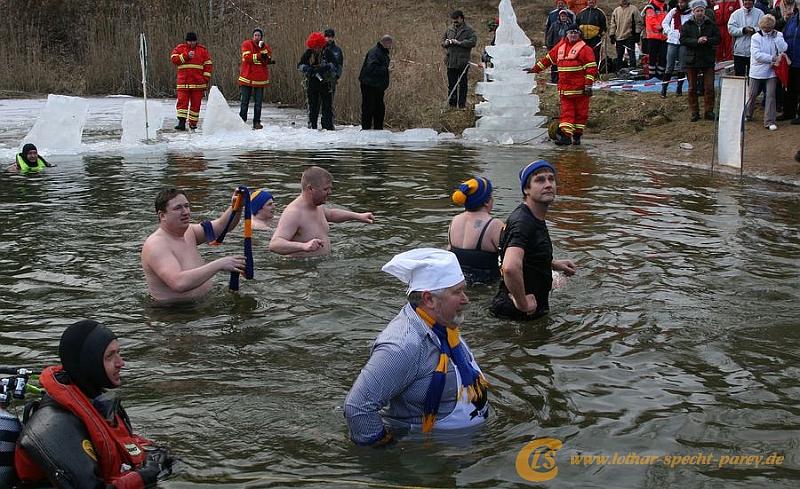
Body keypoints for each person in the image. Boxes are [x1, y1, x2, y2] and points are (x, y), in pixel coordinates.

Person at [344, 248, 489, 445]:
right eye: (457, 292)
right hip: (428, 455)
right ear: (429, 299)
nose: (466, 299)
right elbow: (358, 407)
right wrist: (387, 455)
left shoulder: (444, 327)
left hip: (461, 448)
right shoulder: (402, 346)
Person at [14, 320, 174, 487]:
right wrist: (146, 475)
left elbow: (124, 442)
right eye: (110, 356)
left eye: (119, 353)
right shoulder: (55, 426)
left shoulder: (95, 400)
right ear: (88, 362)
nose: (121, 363)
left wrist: (155, 453)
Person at [490, 160, 577, 321]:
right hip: (518, 315)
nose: (548, 184)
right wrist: (523, 303)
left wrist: (552, 263)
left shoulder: (532, 217)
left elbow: (526, 255)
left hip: (525, 312)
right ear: (526, 189)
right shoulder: (523, 223)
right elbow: (510, 267)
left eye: (551, 179)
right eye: (540, 180)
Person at [141, 188, 245, 303]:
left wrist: (237, 206)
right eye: (178, 208)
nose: (185, 212)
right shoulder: (157, 245)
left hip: (202, 305)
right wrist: (219, 264)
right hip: (173, 313)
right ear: (162, 215)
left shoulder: (189, 231)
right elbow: (179, 283)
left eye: (186, 206)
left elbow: (223, 226)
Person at [269, 166, 373, 257]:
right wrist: (303, 246)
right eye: (325, 189)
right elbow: (275, 244)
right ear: (310, 188)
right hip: (302, 272)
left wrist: (358, 216)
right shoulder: (294, 213)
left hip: (321, 266)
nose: (330, 192)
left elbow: (331, 214)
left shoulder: (317, 206)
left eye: (330, 188)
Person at [528, 23, 598, 145]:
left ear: (579, 34)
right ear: (567, 34)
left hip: (580, 90)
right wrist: (534, 69)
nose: (573, 35)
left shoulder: (585, 49)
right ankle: (566, 136)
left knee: (581, 114)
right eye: (571, 32)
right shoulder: (560, 47)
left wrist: (588, 85)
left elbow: (591, 68)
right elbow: (548, 60)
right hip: (565, 90)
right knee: (567, 114)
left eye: (576, 33)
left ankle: (576, 136)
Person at [447, 177, 504, 285]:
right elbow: (511, 262)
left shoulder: (454, 221)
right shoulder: (494, 225)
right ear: (487, 201)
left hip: (458, 283)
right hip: (487, 285)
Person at [681, 0, 721, 121]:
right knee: (692, 87)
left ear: (705, 11)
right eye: (697, 10)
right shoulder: (687, 25)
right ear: (693, 11)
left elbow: (718, 39)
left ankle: (709, 111)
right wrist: (696, 41)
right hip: (692, 59)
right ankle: (694, 111)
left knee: (709, 87)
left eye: (701, 10)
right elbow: (683, 40)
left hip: (707, 59)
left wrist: (707, 40)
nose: (699, 13)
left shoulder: (711, 24)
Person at [745, 14, 788, 130]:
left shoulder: (778, 35)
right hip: (757, 70)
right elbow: (757, 55)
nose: (767, 31)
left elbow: (784, 48)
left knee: (770, 95)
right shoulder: (755, 37)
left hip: (772, 71)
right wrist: (773, 58)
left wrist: (778, 40)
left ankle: (769, 121)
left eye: (770, 28)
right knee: (752, 94)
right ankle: (747, 114)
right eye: (765, 28)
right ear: (761, 27)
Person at [170, 31, 213, 131]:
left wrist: (205, 79)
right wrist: (186, 56)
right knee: (182, 103)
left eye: (193, 41)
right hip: (183, 82)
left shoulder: (202, 50)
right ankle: (181, 122)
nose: (191, 43)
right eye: (189, 41)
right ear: (186, 41)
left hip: (198, 83)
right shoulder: (180, 48)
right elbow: (174, 59)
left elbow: (208, 65)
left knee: (196, 104)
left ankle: (193, 124)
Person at [298, 32, 337, 130]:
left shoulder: (327, 52)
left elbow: (335, 65)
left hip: (325, 82)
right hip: (312, 83)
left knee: (327, 106)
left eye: (319, 47)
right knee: (313, 106)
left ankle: (328, 126)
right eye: (315, 47)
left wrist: (326, 67)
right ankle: (312, 126)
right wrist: (307, 69)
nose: (317, 49)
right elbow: (299, 65)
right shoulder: (308, 53)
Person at [239, 27, 273, 130]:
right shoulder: (246, 44)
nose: (257, 37)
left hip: (260, 79)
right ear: (252, 36)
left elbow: (267, 59)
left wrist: (265, 57)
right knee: (244, 102)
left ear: (261, 37)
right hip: (247, 78)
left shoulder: (265, 47)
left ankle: (256, 122)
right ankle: (242, 122)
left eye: (259, 35)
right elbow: (247, 58)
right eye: (255, 35)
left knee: (258, 103)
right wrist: (259, 55)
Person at [442, 10, 478, 109]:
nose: (455, 21)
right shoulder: (449, 29)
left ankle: (462, 105)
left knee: (463, 85)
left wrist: (459, 43)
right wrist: (446, 43)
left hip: (463, 62)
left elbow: (473, 42)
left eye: (456, 19)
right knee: (451, 85)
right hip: (451, 61)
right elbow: (442, 41)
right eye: (453, 20)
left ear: (462, 18)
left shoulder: (469, 30)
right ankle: (452, 106)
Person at [359, 35, 393, 130]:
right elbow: (371, 68)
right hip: (369, 84)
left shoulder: (382, 52)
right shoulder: (375, 52)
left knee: (379, 108)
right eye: (390, 43)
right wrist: (386, 70)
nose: (391, 45)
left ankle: (378, 129)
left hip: (377, 85)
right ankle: (366, 129)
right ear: (385, 42)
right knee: (368, 108)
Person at [662, 0, 692, 96]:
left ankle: (679, 89)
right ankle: (664, 89)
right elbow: (664, 22)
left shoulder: (690, 13)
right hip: (672, 40)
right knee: (669, 66)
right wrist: (669, 31)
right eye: (679, 2)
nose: (680, 4)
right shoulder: (674, 11)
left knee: (682, 66)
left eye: (682, 2)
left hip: (683, 41)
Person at [728, 0, 765, 76]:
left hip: (755, 52)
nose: (748, 2)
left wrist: (754, 30)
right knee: (739, 76)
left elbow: (764, 28)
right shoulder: (736, 14)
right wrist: (743, 30)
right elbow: (731, 29)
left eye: (750, 0)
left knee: (753, 76)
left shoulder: (760, 13)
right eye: (746, 0)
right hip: (739, 51)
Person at [609, 0, 645, 70]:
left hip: (630, 36)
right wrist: (612, 34)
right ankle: (619, 72)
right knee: (619, 56)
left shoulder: (633, 9)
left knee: (631, 56)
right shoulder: (616, 11)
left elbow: (639, 22)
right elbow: (613, 24)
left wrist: (637, 33)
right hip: (619, 37)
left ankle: (632, 71)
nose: (623, 1)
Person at [779, 5, 800, 123]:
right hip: (790, 60)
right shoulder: (792, 20)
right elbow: (784, 36)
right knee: (789, 88)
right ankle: (788, 113)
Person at [546, 10, 577, 83]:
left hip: (567, 48)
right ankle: (554, 79)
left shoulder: (571, 25)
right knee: (554, 63)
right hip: (556, 46)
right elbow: (550, 35)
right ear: (559, 17)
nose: (563, 17)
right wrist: (549, 46)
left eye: (564, 16)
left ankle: (566, 78)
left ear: (567, 16)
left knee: (566, 63)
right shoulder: (554, 25)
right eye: (562, 16)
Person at [643, 0, 670, 79]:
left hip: (664, 36)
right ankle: (652, 75)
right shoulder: (650, 7)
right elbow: (652, 20)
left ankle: (660, 74)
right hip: (653, 36)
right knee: (652, 57)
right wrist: (661, 28)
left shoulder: (666, 7)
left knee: (663, 56)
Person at [576, 0, 608, 67]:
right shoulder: (581, 12)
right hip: (583, 39)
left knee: (595, 55)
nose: (591, 2)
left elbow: (604, 26)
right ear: (587, 2)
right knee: (583, 55)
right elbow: (577, 24)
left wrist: (600, 34)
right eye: (589, 1)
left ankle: (595, 71)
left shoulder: (600, 12)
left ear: (595, 2)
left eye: (592, 1)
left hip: (595, 39)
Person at [324, 28, 344, 111]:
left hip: (331, 77)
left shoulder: (337, 50)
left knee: (329, 100)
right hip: (321, 77)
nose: (329, 38)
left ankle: (328, 119)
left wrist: (336, 76)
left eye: (331, 36)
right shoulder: (321, 48)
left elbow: (340, 64)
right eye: (328, 36)